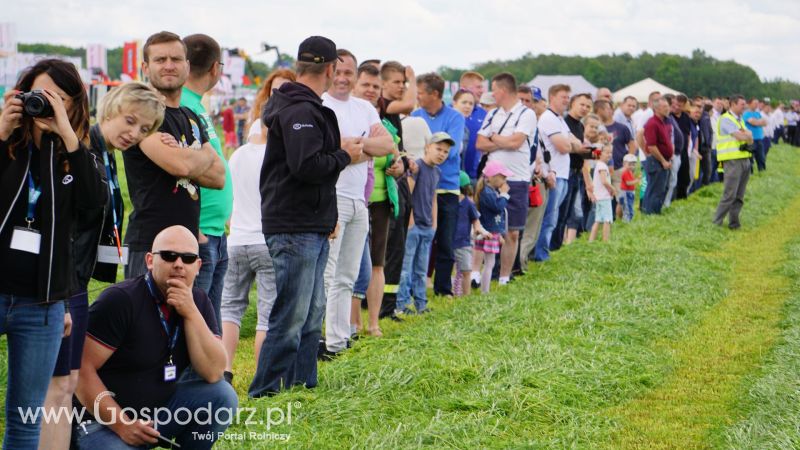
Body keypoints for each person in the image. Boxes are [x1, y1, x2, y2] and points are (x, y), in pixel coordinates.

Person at [40, 82, 165, 450]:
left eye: (144, 130)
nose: (134, 133)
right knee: (55, 384)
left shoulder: (107, 155)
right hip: (60, 283)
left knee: (66, 381)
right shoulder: (79, 149)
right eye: (130, 121)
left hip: (76, 281)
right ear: (108, 109)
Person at [0, 58, 106, 450]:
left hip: (40, 305)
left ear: (74, 105)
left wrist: (68, 135)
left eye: (58, 99)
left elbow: (95, 201)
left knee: (26, 419)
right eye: (39, 96)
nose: (45, 106)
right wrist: (1, 131)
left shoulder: (74, 154)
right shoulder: (7, 144)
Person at [249, 35, 361, 397]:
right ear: (329, 69)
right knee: (292, 315)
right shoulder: (300, 109)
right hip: (294, 225)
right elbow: (306, 166)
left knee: (311, 314)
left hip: (309, 222)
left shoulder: (301, 105)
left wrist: (326, 215)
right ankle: (266, 392)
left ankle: (301, 385)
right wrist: (346, 155)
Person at [74, 225, 237, 449]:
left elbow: (214, 372)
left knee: (222, 396)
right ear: (150, 260)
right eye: (169, 256)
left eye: (188, 258)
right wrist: (122, 424)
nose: (179, 264)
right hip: (101, 421)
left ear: (198, 266)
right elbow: (81, 371)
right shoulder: (120, 300)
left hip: (159, 413)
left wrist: (190, 312)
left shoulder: (198, 301)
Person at [122, 31, 225, 280]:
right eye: (160, 60)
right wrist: (197, 154)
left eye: (176, 59)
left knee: (190, 318)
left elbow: (219, 176)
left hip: (187, 246)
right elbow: (179, 166)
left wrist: (187, 157)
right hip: (150, 245)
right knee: (147, 318)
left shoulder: (191, 116)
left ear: (187, 66)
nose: (169, 66)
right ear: (146, 67)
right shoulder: (141, 112)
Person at [322, 49, 393, 357]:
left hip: (358, 201)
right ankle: (321, 338)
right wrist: (362, 148)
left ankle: (338, 341)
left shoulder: (364, 107)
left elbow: (388, 144)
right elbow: (323, 148)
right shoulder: (320, 105)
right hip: (332, 197)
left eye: (348, 72)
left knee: (348, 276)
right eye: (337, 71)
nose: (342, 77)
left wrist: (353, 147)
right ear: (328, 72)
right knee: (328, 272)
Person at [181, 34, 234, 328]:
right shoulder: (185, 106)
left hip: (213, 229)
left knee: (210, 321)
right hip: (199, 231)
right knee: (197, 324)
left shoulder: (195, 104)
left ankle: (211, 375)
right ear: (217, 68)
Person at [219, 119, 276, 385]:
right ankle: (261, 375)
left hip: (236, 240)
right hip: (266, 241)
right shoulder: (274, 156)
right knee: (267, 313)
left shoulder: (237, 155)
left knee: (229, 308)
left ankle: (225, 370)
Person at [476, 72, 536, 285]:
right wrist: (501, 140)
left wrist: (494, 137)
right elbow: (480, 144)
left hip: (517, 179)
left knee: (511, 232)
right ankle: (479, 272)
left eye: (493, 89)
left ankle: (504, 276)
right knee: (485, 225)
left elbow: (516, 143)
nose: (491, 94)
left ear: (502, 90)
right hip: (490, 179)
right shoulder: (492, 114)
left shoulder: (526, 114)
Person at [411, 72, 465, 297]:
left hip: (447, 186)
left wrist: (431, 151)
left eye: (421, 93)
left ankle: (443, 288)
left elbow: (450, 152)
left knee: (445, 239)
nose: (417, 96)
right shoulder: (415, 115)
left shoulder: (455, 117)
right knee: (416, 238)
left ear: (434, 94)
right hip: (421, 186)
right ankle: (415, 286)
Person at [395, 132, 452, 314]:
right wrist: (409, 220)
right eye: (438, 149)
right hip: (414, 225)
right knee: (406, 266)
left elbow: (434, 197)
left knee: (422, 268)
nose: (441, 154)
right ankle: (402, 304)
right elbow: (408, 194)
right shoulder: (417, 167)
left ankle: (421, 303)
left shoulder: (437, 172)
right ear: (427, 147)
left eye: (445, 151)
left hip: (428, 226)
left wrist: (434, 223)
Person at [533, 84, 583, 262]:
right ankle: (540, 254)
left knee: (553, 217)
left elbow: (577, 143)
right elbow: (564, 147)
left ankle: (542, 251)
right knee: (549, 218)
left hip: (562, 173)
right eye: (563, 97)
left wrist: (573, 145)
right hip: (552, 174)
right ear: (552, 97)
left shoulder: (559, 119)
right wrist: (572, 145)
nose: (566, 100)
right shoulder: (548, 118)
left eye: (568, 97)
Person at [553, 92, 592, 250]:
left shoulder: (580, 125)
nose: (584, 108)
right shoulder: (565, 122)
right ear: (573, 103)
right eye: (581, 104)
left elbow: (581, 150)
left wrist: (591, 152)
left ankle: (559, 245)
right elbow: (570, 148)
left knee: (569, 212)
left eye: (588, 106)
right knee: (560, 212)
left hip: (577, 171)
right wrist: (584, 150)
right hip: (565, 171)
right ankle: (554, 246)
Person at [713, 95, 754, 230]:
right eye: (742, 104)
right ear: (733, 104)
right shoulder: (726, 119)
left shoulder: (739, 120)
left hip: (744, 159)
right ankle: (716, 222)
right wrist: (746, 135)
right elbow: (742, 136)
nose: (744, 106)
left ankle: (734, 223)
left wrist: (747, 135)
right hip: (732, 161)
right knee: (729, 194)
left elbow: (750, 138)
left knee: (739, 195)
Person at [473, 161, 512, 294]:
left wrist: (499, 234)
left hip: (492, 231)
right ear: (492, 177)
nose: (505, 180)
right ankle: (485, 292)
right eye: (503, 177)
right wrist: (504, 194)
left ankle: (486, 290)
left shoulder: (490, 191)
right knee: (489, 263)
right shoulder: (487, 192)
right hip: (488, 232)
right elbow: (497, 208)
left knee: (490, 263)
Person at [595, 99, 634, 220]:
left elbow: (632, 145)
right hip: (601, 169)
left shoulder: (622, 128)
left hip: (618, 169)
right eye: (607, 108)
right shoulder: (594, 128)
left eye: (610, 108)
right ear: (599, 110)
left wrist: (628, 164)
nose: (610, 111)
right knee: (602, 197)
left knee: (621, 198)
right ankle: (605, 220)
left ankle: (621, 221)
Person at [452, 171, 488, 297]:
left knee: (466, 270)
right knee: (453, 270)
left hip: (463, 242)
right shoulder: (448, 203)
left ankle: (465, 296)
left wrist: (481, 231)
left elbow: (476, 221)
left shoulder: (468, 204)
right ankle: (454, 292)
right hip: (448, 241)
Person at [641, 97, 673, 215]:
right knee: (655, 189)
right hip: (656, 161)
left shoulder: (662, 122)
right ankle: (650, 214)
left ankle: (655, 212)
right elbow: (652, 146)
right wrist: (663, 160)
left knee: (660, 189)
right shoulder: (652, 123)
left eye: (667, 106)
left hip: (662, 161)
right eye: (664, 107)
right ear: (656, 109)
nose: (667, 109)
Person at [248, 68, 297, 133]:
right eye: (275, 90)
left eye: (285, 90)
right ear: (268, 93)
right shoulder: (258, 124)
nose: (279, 95)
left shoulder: (301, 121)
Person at [459, 71, 488, 181]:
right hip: (451, 177)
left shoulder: (483, 113)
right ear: (464, 88)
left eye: (482, 87)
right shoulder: (449, 111)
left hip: (474, 177)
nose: (482, 91)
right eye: (478, 87)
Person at [589, 145, 615, 242]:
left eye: (611, 152)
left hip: (598, 197)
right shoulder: (602, 166)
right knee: (607, 220)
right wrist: (613, 189)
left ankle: (591, 240)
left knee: (598, 220)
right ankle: (605, 241)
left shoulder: (599, 165)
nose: (610, 155)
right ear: (600, 153)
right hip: (604, 197)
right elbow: (604, 181)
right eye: (607, 152)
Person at [742, 98, 767, 172]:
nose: (757, 105)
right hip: (751, 139)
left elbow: (765, 123)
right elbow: (754, 123)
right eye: (755, 103)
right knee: (750, 157)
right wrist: (759, 122)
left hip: (759, 138)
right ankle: (750, 172)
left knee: (761, 157)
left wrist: (757, 122)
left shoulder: (757, 113)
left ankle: (762, 170)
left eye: (757, 103)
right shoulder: (746, 114)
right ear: (749, 104)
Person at [619, 154, 640, 222]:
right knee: (627, 208)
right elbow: (628, 183)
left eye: (633, 164)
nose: (631, 166)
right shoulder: (625, 172)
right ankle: (626, 222)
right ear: (624, 164)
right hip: (626, 192)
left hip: (629, 192)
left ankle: (628, 220)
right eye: (629, 164)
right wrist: (637, 180)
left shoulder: (630, 172)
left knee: (629, 206)